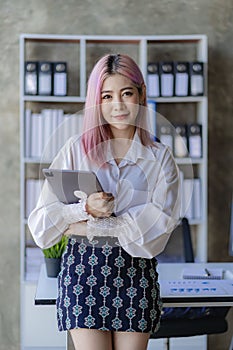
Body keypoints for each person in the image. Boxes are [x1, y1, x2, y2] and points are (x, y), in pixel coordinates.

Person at [28, 53, 181, 350]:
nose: (118, 105)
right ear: (96, 101)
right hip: (83, 273)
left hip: (136, 273)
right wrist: (84, 209)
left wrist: (84, 226)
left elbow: (154, 235)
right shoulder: (75, 150)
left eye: (126, 93)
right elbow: (42, 227)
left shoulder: (160, 159)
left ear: (141, 94)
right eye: (107, 95)